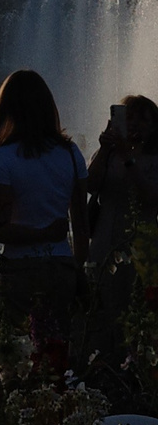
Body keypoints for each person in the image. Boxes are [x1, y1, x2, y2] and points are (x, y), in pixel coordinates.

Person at [0, 67, 90, 337]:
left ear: (7, 109)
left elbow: (2, 228)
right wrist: (76, 268)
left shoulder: (3, 158)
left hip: (20, 267)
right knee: (59, 349)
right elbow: (81, 226)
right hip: (61, 265)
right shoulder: (70, 152)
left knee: (19, 350)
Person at [88, 95, 158, 340]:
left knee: (139, 308)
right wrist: (106, 149)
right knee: (103, 309)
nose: (135, 123)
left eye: (142, 119)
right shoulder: (109, 153)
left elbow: (151, 198)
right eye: (129, 117)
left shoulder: (153, 158)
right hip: (104, 241)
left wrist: (128, 158)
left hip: (143, 244)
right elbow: (90, 184)